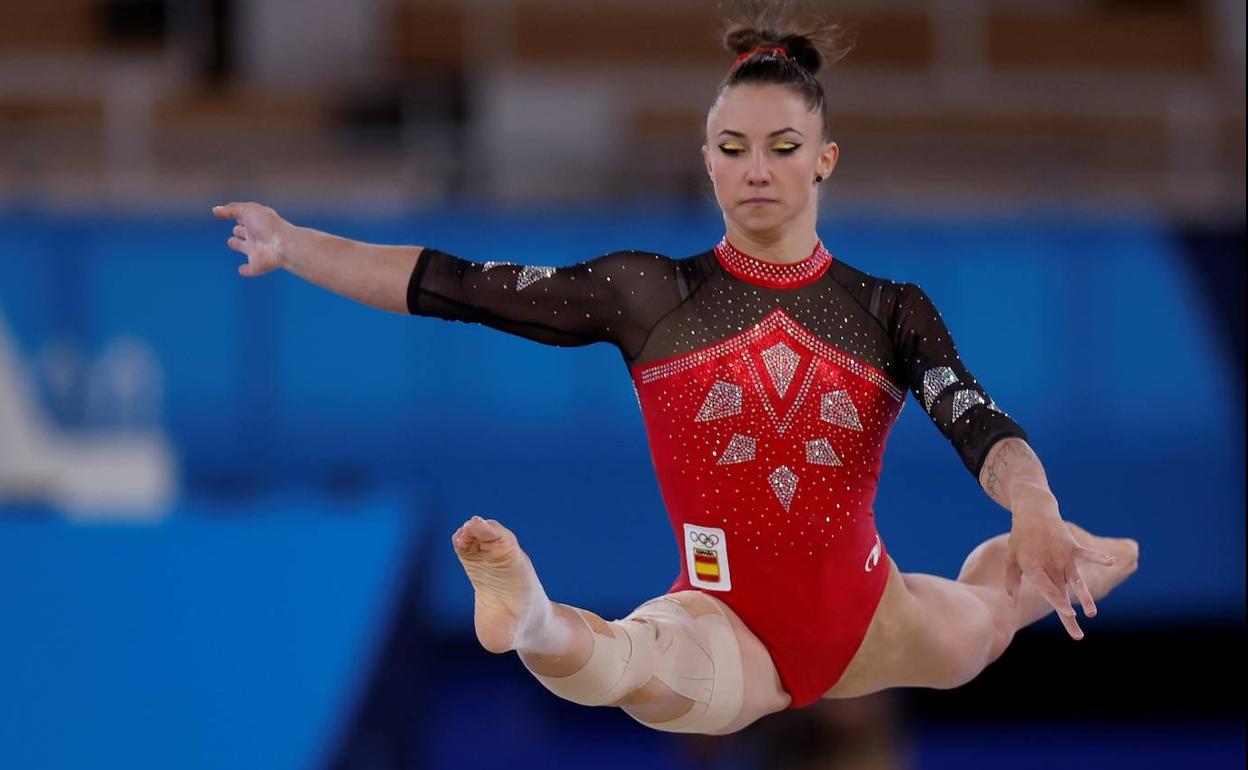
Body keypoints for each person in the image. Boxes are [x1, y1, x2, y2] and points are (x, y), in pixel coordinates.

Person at [212, 8, 1138, 738]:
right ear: (707, 162)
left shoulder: (890, 311)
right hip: (723, 616)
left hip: (871, 615)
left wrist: (1034, 503)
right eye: (733, 149)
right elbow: (455, 285)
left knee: (991, 619)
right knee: (634, 665)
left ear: (824, 160)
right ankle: (529, 616)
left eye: (782, 148)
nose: (756, 170)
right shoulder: (649, 294)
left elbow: (977, 421)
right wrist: (295, 245)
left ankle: (1062, 555)